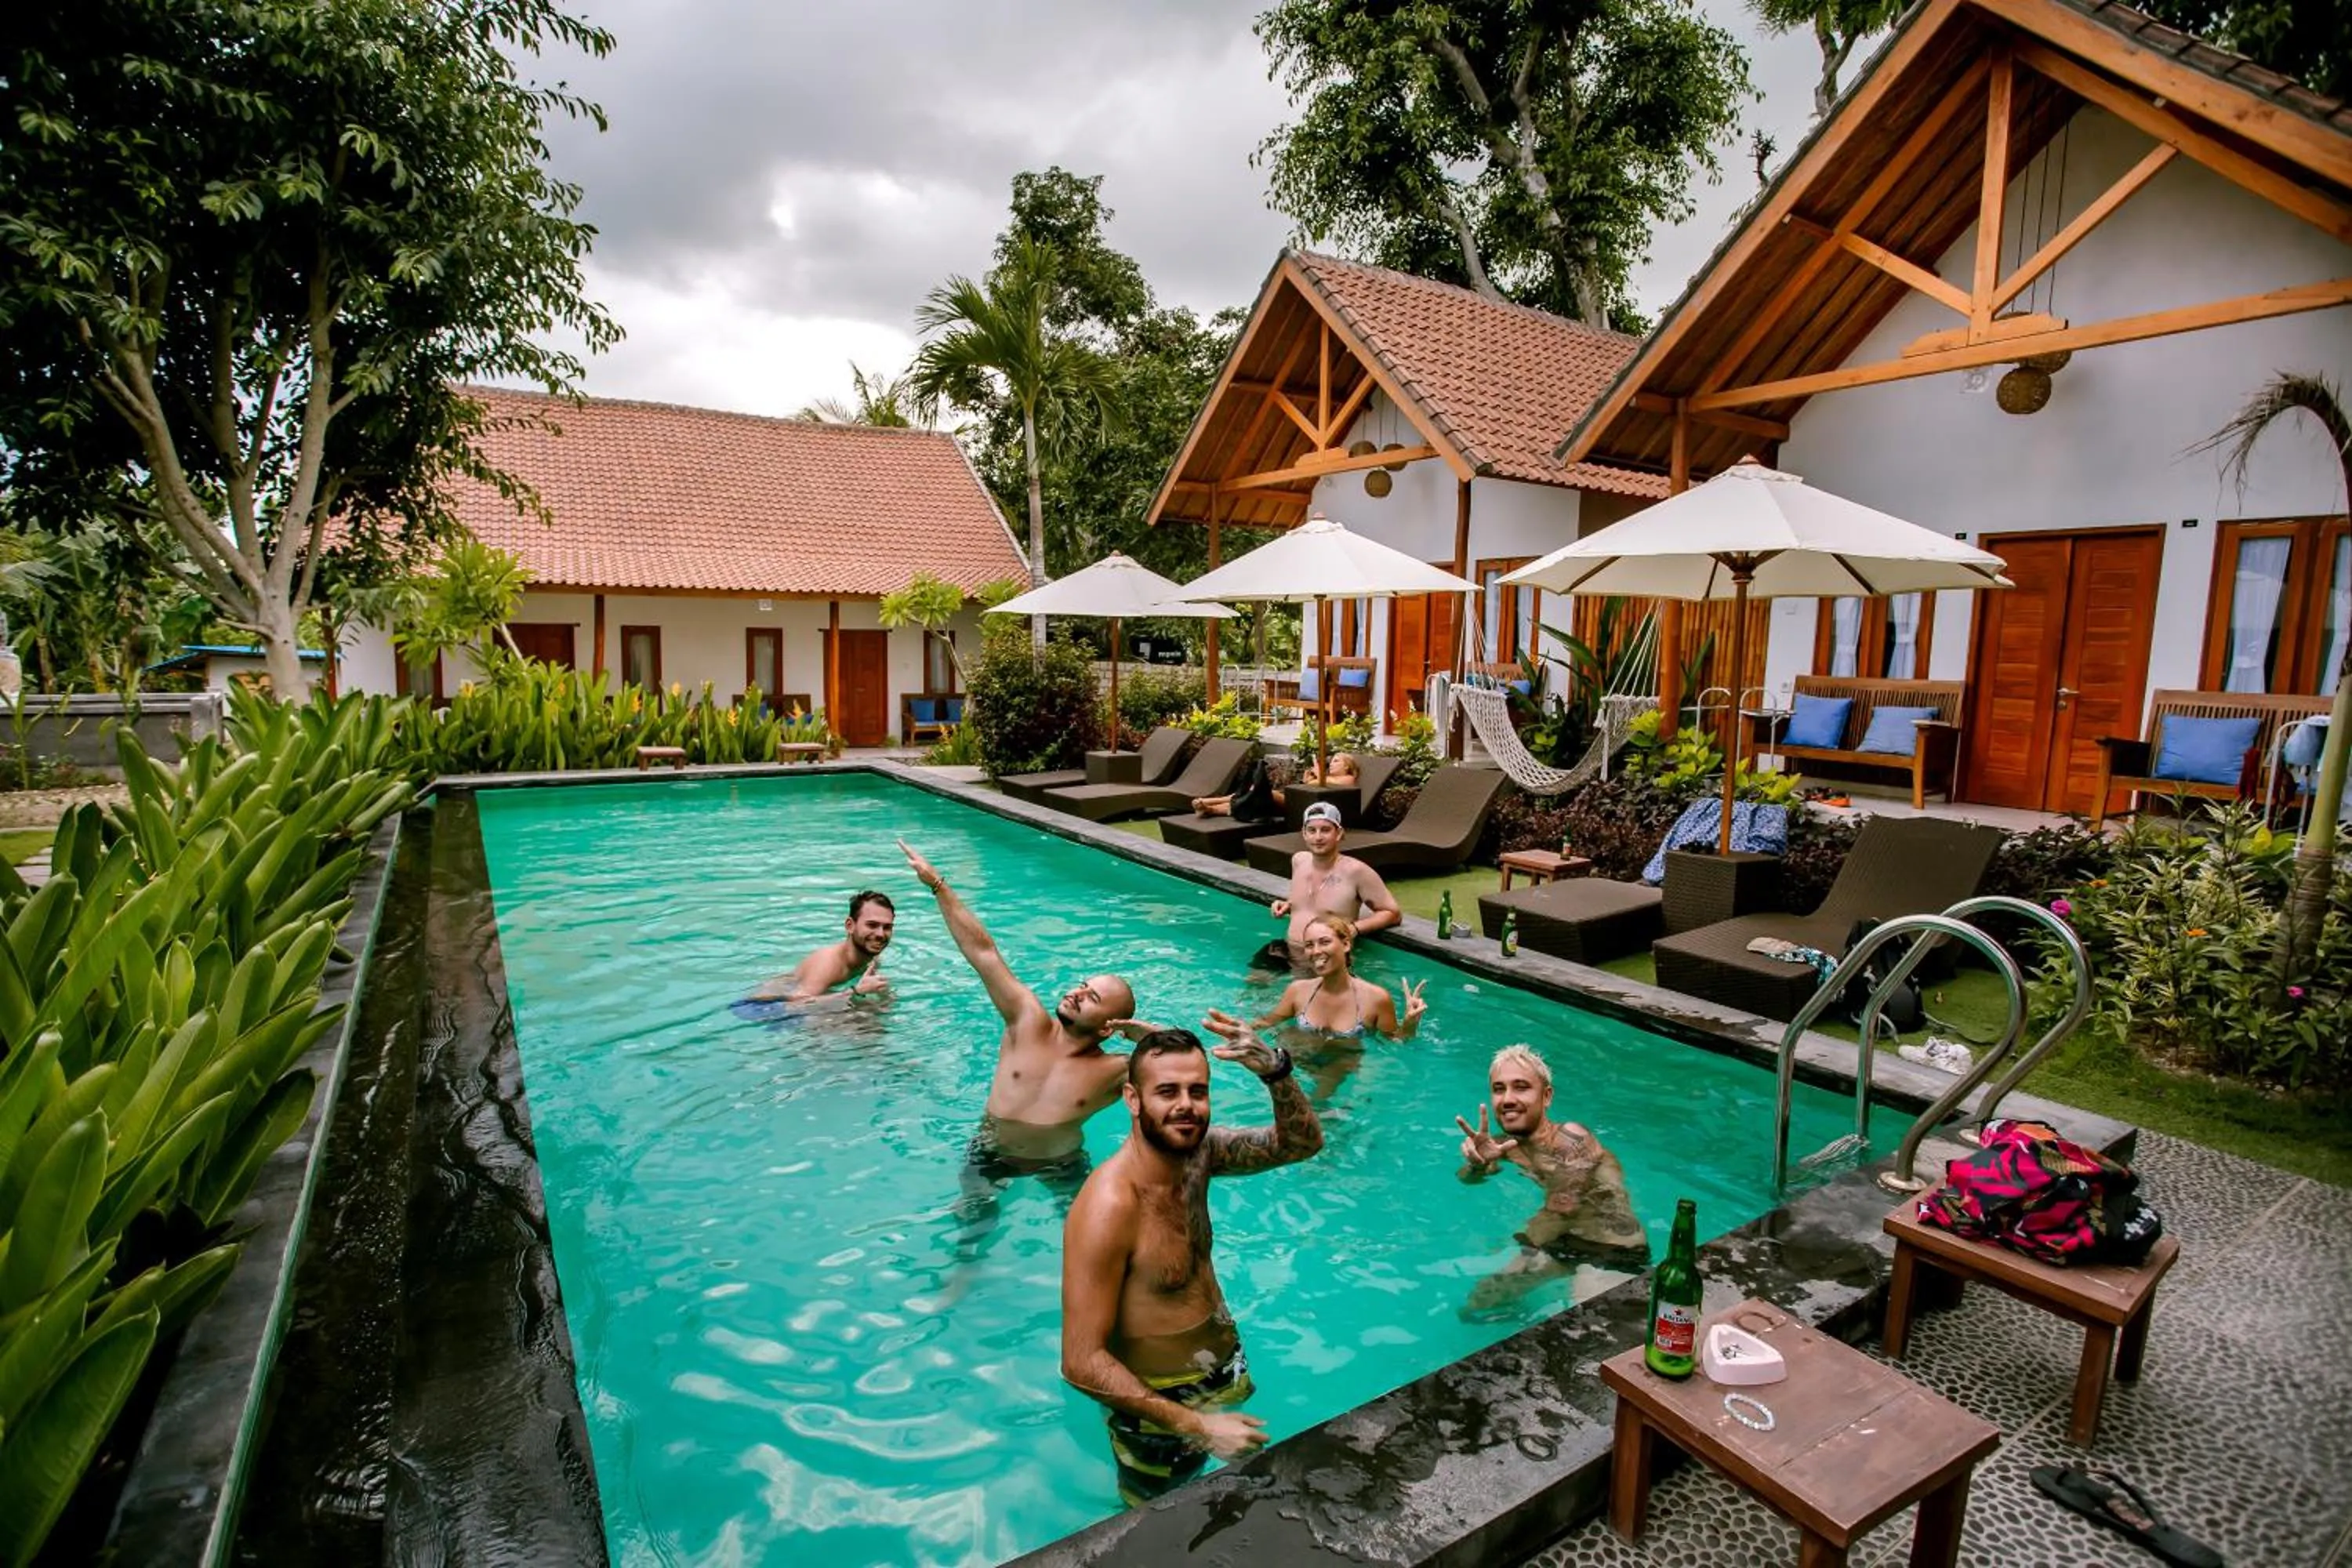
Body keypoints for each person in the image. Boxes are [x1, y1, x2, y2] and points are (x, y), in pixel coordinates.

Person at [1060, 1024, 1323, 1505]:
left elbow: (1301, 1145)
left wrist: (1276, 1072)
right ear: (1132, 1100)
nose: (1186, 1105)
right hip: (1158, 1405)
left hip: (1223, 1371)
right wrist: (1198, 1427)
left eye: (1197, 1091)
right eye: (1167, 1091)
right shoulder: (1110, 1205)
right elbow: (1080, 1363)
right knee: (1155, 1528)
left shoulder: (1200, 1155)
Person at [898, 840, 1149, 1185]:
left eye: (1091, 997)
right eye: (1081, 985)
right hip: (989, 1153)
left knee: (1085, 1236)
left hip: (1062, 1161)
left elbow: (1189, 1073)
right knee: (971, 1233)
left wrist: (1150, 1039)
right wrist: (938, 885)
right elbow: (984, 953)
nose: (1076, 993)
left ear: (1109, 1028)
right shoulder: (1027, 1020)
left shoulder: (1117, 1069)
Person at [1453, 1044, 1650, 1318]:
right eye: (1499, 1089)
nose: (1507, 1099)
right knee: (1476, 1308)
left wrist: (1507, 1245)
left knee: (1588, 1328)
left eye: (1521, 1087)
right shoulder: (1506, 1145)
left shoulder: (1572, 1138)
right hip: (1561, 1240)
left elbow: (1564, 1205)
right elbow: (1467, 1180)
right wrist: (1476, 1166)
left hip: (1610, 1250)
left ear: (1546, 1097)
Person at [1209, 913, 1425, 1099]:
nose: (1315, 951)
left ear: (1346, 944)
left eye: (1324, 942)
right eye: (1309, 945)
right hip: (1296, 1055)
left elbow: (1394, 1043)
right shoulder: (1298, 990)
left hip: (1338, 1063)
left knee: (1320, 1106)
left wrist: (1409, 1025)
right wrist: (1239, 1029)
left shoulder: (1376, 998)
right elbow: (1268, 1022)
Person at [1253, 802, 1401, 972]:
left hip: (1326, 957)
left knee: (1311, 997)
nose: (1318, 837)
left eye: (1325, 830)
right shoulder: (1299, 861)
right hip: (1288, 949)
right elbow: (1308, 901)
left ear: (1339, 833)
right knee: (1253, 992)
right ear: (1304, 834)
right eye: (1312, 830)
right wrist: (1288, 904)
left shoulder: (1356, 872)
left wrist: (1355, 929)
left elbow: (1393, 913)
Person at [735, 889, 895, 1017]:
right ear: (850, 926)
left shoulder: (872, 956)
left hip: (800, 1001)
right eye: (872, 925)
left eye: (887, 927)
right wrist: (855, 993)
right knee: (864, 1022)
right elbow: (794, 1007)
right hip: (761, 1009)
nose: (881, 934)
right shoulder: (827, 964)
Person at [1193, 749, 1359, 819]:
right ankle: (1210, 807)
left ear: (1347, 766)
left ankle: (1209, 804)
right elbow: (1313, 787)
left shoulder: (1348, 779)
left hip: (1303, 808)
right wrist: (1309, 780)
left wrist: (1318, 773)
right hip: (1296, 801)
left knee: (1264, 793)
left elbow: (1325, 785)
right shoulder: (1327, 778)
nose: (1332, 764)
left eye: (1336, 761)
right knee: (1254, 795)